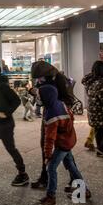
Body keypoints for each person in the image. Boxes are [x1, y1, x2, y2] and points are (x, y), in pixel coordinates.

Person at [38, 84, 91, 205]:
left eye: (40, 96)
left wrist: (47, 155)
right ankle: (84, 191)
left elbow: (49, 138)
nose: (38, 98)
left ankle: (51, 197)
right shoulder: (60, 104)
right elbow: (71, 119)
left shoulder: (52, 114)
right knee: (71, 166)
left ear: (46, 97)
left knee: (51, 168)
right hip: (69, 139)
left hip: (63, 143)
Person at [30, 60, 76, 189]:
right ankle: (44, 178)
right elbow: (40, 98)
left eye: (39, 77)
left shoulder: (60, 79)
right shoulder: (43, 80)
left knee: (65, 151)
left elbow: (69, 99)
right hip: (49, 116)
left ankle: (76, 182)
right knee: (45, 145)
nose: (38, 80)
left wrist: (57, 106)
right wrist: (37, 93)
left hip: (60, 118)